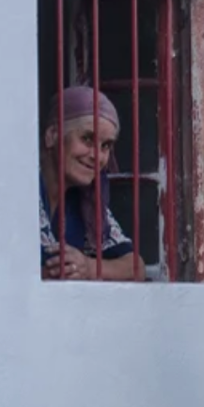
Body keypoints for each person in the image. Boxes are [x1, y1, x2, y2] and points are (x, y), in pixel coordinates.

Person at [40, 85, 140, 281]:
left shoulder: (86, 198)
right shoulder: (20, 186)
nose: (97, 156)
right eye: (87, 139)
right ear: (52, 135)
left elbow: (136, 266)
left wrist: (90, 268)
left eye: (106, 146)